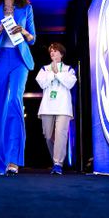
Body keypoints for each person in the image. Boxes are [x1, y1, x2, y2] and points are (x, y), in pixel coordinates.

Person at [0, 0, 36, 175]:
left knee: (15, 101)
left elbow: (32, 39)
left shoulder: (26, 10)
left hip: (19, 60)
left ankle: (13, 160)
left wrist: (22, 30)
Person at [35, 43, 77, 175]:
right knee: (48, 135)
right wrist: (52, 74)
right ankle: (56, 160)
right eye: (51, 51)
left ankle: (58, 163)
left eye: (55, 50)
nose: (52, 53)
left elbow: (69, 84)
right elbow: (42, 83)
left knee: (61, 135)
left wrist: (58, 73)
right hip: (47, 107)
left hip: (63, 107)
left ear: (61, 54)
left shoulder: (69, 69)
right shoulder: (44, 69)